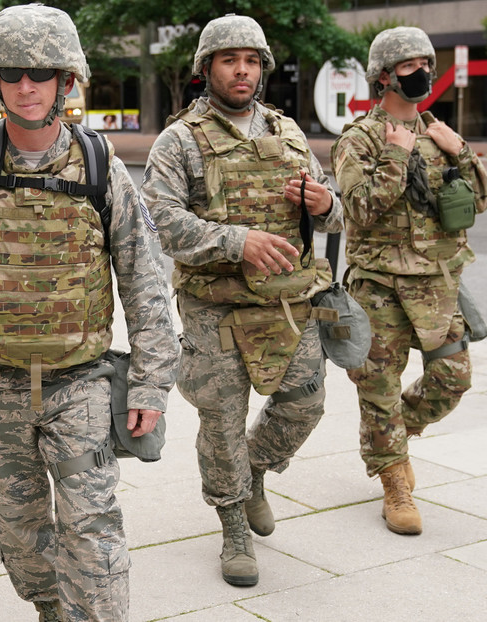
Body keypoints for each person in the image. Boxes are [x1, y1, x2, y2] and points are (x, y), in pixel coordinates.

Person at [0, 6, 178, 620]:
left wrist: (152, 379)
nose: (25, 87)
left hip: (81, 385)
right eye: (12, 72)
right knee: (22, 542)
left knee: (94, 533)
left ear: (65, 81)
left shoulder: (102, 172)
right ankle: (52, 609)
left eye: (40, 73)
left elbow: (146, 281)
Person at [142, 14, 343, 587]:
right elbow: (160, 220)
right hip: (216, 308)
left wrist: (324, 205)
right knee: (222, 421)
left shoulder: (288, 132)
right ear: (207, 69)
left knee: (306, 401)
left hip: (288, 302)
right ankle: (232, 524)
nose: (243, 70)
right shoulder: (180, 139)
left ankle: (255, 470)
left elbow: (336, 213)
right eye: (230, 59)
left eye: (252, 60)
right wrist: (238, 240)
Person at [331, 26, 487, 536]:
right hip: (380, 288)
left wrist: (459, 148)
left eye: (427, 62)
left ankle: (393, 435)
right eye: (410, 66)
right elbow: (357, 208)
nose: (423, 73)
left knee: (453, 379)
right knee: (377, 389)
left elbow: (480, 200)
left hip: (439, 286)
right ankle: (394, 481)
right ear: (384, 77)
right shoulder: (359, 140)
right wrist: (396, 155)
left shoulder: (440, 133)